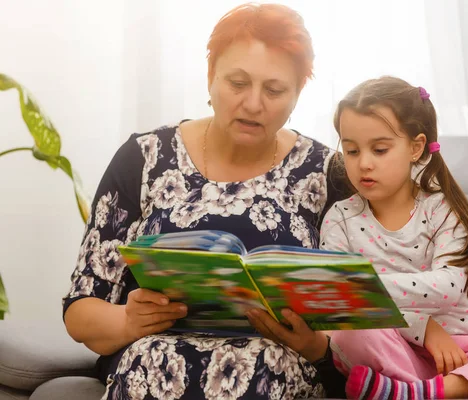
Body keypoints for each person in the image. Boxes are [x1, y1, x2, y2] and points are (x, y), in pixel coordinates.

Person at [62, 3, 351, 399]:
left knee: (263, 367)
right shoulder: (144, 158)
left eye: (274, 89)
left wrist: (314, 345)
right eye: (237, 82)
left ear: (298, 92)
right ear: (210, 76)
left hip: (277, 367)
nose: (253, 103)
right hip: (152, 358)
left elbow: (358, 320)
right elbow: (81, 311)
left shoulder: (327, 173)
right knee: (153, 357)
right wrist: (130, 321)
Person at [247, 76, 468, 400]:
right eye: (351, 150)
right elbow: (341, 303)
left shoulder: (440, 208)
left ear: (415, 147)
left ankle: (439, 391)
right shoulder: (340, 218)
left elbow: (448, 286)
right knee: (352, 333)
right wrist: (421, 328)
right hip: (397, 355)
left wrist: (363, 287)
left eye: (379, 149)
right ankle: (426, 389)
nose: (364, 163)